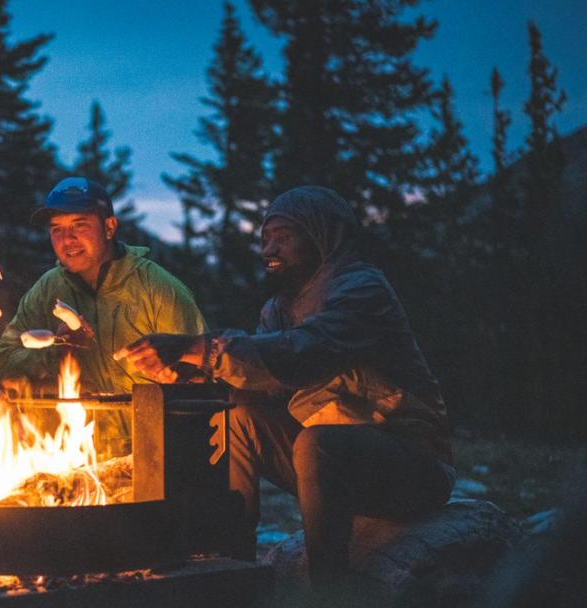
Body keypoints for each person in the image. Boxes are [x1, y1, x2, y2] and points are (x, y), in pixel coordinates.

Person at [116, 186, 455, 583]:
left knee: (317, 442)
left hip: (411, 463)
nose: (269, 250)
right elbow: (263, 384)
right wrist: (192, 372)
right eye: (265, 239)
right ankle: (232, 564)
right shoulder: (279, 308)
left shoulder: (361, 289)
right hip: (332, 466)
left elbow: (304, 352)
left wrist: (199, 349)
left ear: (321, 235)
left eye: (283, 237)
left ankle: (327, 598)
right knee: (238, 418)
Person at [0, 176, 207, 396]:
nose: (67, 240)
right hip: (73, 429)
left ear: (109, 227)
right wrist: (57, 352)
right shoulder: (48, 290)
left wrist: (180, 377)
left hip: (148, 428)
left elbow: (206, 370)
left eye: (80, 225)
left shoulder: (157, 289)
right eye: (57, 229)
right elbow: (2, 360)